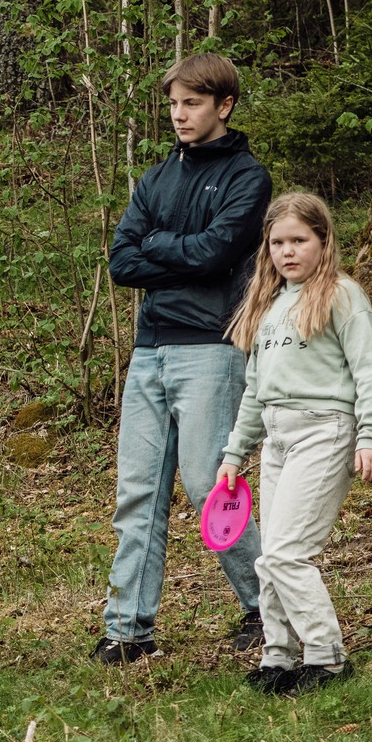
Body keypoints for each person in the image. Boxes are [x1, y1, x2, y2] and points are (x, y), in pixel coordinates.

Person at [99, 53, 272, 665]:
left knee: (207, 485)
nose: (179, 114)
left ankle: (266, 606)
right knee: (138, 492)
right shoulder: (154, 179)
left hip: (212, 349)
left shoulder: (248, 178)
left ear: (223, 106)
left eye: (191, 103)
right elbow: (122, 261)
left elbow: (217, 254)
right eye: (173, 103)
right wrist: (180, 254)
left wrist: (162, 250)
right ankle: (127, 630)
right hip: (149, 351)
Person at [216, 193, 372, 696]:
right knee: (269, 554)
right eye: (277, 243)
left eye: (299, 240)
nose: (287, 252)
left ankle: (327, 656)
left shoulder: (342, 294)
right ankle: (279, 657)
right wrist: (234, 454)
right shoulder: (268, 306)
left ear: (323, 240)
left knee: (287, 554)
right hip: (276, 439)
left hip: (325, 429)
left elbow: (368, 370)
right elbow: (255, 391)